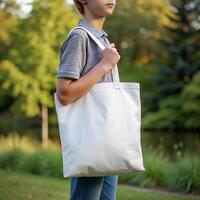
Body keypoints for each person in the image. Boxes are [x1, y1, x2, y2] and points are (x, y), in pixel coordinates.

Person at [56, 0, 120, 199]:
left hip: (108, 138)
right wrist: (104, 65)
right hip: (91, 140)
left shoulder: (102, 39)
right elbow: (64, 93)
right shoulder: (79, 37)